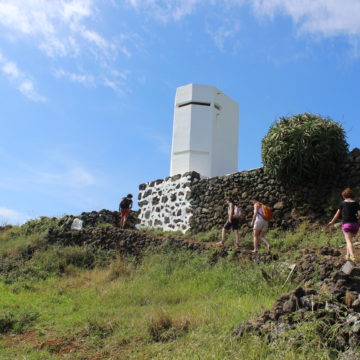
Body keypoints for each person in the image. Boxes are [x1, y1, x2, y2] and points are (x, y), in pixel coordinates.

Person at [328, 188, 360, 262]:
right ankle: (347, 255)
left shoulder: (342, 203)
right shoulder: (356, 203)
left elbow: (336, 215)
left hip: (347, 225)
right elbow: (359, 214)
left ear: (344, 196)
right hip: (355, 225)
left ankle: (352, 256)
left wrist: (332, 222)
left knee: (349, 241)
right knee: (349, 240)